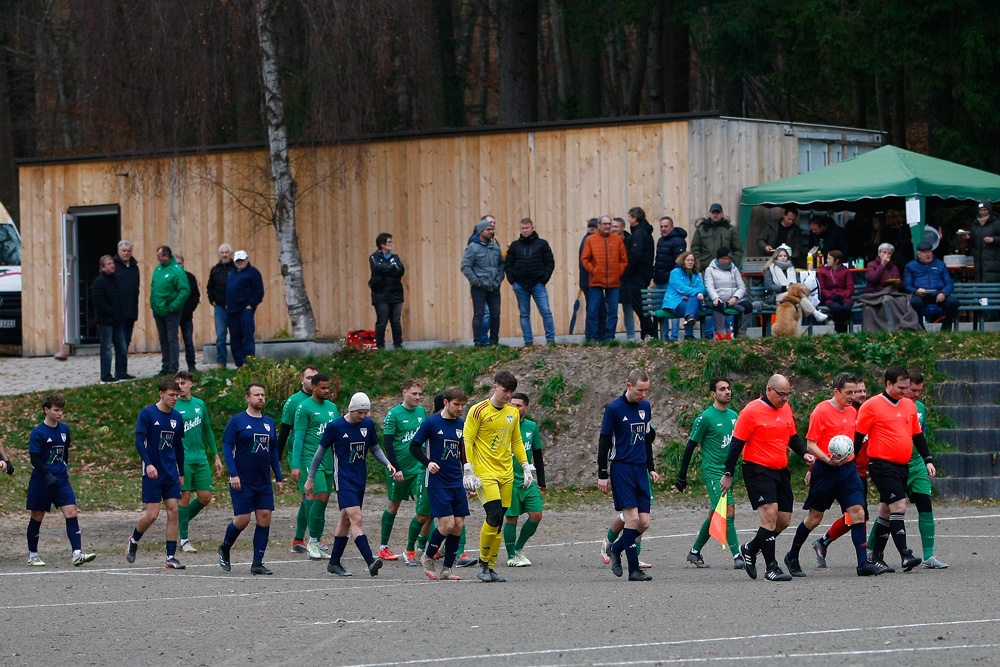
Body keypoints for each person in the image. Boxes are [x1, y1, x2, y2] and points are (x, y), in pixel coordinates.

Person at [782, 373, 884, 577]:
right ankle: (792, 556)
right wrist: (826, 460)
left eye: (855, 392)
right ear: (836, 391)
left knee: (858, 512)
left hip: (848, 470)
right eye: (849, 392)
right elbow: (811, 444)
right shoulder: (821, 411)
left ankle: (863, 564)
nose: (853, 396)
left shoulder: (853, 412)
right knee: (814, 518)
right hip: (825, 470)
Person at [720, 374, 815, 582]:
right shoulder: (751, 411)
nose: (785, 398)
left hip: (780, 470)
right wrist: (728, 473)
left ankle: (750, 548)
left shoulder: (786, 408)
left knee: (783, 520)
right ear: (769, 390)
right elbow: (736, 444)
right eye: (781, 394)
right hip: (757, 470)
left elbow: (792, 437)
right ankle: (771, 568)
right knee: (769, 515)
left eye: (788, 394)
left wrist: (804, 454)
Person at [306, 392, 402, 577]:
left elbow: (374, 448)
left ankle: (334, 563)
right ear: (351, 409)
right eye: (359, 412)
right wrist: (310, 478)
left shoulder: (367, 424)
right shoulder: (335, 427)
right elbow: (319, 453)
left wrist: (388, 464)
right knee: (356, 518)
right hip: (343, 479)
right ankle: (370, 561)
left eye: (365, 412)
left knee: (345, 519)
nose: (362, 416)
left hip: (360, 478)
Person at [856, 367, 934, 573]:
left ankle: (876, 557)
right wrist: (851, 464)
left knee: (886, 511)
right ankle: (905, 555)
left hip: (902, 466)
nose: (905, 391)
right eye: (901, 387)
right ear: (888, 383)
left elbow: (917, 435)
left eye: (907, 388)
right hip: (881, 465)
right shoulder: (872, 405)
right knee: (899, 505)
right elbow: (858, 436)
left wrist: (927, 459)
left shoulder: (909, 405)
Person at [463, 370, 533, 583]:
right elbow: (467, 439)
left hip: (506, 474)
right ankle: (483, 564)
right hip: (485, 473)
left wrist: (525, 467)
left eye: (511, 392)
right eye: (505, 391)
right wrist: (468, 469)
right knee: (493, 516)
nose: (508, 395)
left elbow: (516, 441)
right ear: (495, 387)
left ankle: (490, 567)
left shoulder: (513, 413)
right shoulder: (478, 410)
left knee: (499, 520)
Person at [597, 369, 659, 582]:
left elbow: (646, 439)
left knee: (644, 523)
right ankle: (634, 570)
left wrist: (651, 467)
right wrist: (602, 473)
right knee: (632, 519)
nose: (643, 394)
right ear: (629, 385)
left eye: (647, 390)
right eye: (640, 390)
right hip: (621, 468)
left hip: (640, 469)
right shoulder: (614, 409)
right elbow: (604, 441)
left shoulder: (645, 407)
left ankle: (615, 548)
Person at [676, 377, 743, 569]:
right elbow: (690, 446)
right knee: (728, 509)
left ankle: (694, 552)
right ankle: (738, 556)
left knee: (715, 512)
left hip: (729, 472)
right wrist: (682, 475)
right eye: (722, 389)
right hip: (713, 473)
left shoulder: (734, 416)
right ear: (713, 394)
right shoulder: (705, 418)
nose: (727, 392)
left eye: (728, 388)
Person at [217, 383, 284, 575]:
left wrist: (278, 477)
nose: (260, 398)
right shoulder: (237, 421)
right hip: (242, 479)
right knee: (242, 519)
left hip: (263, 480)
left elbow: (273, 452)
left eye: (263, 394)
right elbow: (227, 448)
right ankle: (225, 547)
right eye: (256, 395)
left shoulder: (269, 423)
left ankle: (257, 563)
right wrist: (233, 474)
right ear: (247, 398)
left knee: (265, 516)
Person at [25, 394, 97, 567]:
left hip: (61, 479)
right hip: (42, 480)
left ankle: (77, 553)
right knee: (37, 516)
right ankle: (33, 555)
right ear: (46, 410)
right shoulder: (38, 432)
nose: (59, 414)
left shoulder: (64, 429)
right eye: (56, 410)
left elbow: (65, 453)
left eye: (61, 411)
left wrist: (63, 468)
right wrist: (47, 475)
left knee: (71, 512)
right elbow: (34, 459)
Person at [409, 386, 470, 581]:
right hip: (437, 481)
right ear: (446, 403)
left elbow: (464, 453)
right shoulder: (431, 423)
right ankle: (427, 556)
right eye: (456, 404)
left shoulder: (462, 425)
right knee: (447, 524)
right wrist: (428, 463)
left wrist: (469, 475)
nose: (460, 408)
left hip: (456, 480)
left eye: (462, 405)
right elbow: (414, 446)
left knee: (458, 525)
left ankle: (447, 569)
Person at [126, 379, 186, 569]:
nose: (174, 398)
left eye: (177, 395)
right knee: (152, 515)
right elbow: (139, 441)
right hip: (152, 472)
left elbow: (179, 447)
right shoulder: (148, 413)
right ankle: (134, 540)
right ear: (161, 394)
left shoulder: (177, 417)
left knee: (173, 511)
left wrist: (182, 472)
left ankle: (170, 557)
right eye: (171, 395)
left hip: (171, 472)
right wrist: (149, 464)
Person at [891, 369, 947, 569]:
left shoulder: (920, 407)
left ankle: (929, 556)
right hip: (895, 466)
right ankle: (872, 551)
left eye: (919, 390)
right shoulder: (890, 407)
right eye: (913, 390)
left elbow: (920, 436)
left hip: (917, 464)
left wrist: (927, 459)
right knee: (887, 511)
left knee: (925, 504)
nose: (916, 394)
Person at [811, 378, 869, 563]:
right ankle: (822, 542)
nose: (860, 395)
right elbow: (821, 444)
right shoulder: (834, 411)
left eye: (863, 391)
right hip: (838, 471)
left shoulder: (863, 413)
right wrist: (813, 468)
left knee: (859, 514)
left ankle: (866, 559)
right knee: (851, 515)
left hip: (857, 471)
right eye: (855, 391)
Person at [378, 380, 429, 564]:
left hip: (418, 469)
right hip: (399, 470)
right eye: (414, 393)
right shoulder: (394, 414)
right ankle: (383, 547)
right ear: (404, 393)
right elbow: (388, 443)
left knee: (424, 508)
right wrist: (396, 468)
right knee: (393, 506)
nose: (418, 397)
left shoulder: (422, 412)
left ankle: (420, 548)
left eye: (420, 394)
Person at [292, 373, 340, 560]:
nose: (327, 391)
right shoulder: (304, 407)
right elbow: (298, 438)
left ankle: (316, 541)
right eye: (323, 388)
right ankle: (312, 541)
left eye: (328, 387)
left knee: (323, 499)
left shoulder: (332, 408)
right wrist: (296, 465)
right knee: (319, 495)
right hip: (310, 459)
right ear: (314, 387)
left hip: (328, 460)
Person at [174, 371, 222, 553]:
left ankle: (179, 522)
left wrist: (216, 456)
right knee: (184, 497)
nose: (180, 387)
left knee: (205, 496)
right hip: (183, 459)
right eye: (177, 383)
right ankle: (184, 540)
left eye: (183, 383)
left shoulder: (200, 404)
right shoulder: (173, 406)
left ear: (191, 384)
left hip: (200, 458)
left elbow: (207, 430)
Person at [278, 365, 319, 553]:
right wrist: (276, 459)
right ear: (302, 380)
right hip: (301, 455)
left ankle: (303, 540)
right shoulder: (294, 401)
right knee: (308, 494)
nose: (312, 381)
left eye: (315, 377)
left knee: (316, 495)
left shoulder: (323, 401)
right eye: (309, 377)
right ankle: (306, 539)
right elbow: (284, 431)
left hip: (319, 455)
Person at [503, 392, 543, 567]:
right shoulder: (502, 424)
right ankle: (511, 556)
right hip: (509, 479)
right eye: (512, 404)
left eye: (518, 405)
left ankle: (518, 548)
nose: (514, 407)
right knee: (512, 518)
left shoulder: (531, 427)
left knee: (536, 514)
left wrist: (541, 479)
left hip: (527, 479)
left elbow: (537, 453)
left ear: (526, 408)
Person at [504, 218, 556, 346]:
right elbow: (508, 264)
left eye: (527, 228)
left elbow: (550, 263)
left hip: (538, 283)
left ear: (533, 228)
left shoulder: (542, 244)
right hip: (520, 284)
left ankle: (550, 340)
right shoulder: (515, 246)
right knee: (524, 314)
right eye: (523, 228)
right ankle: (528, 341)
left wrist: (544, 279)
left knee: (546, 312)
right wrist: (512, 280)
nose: (525, 230)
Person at [581, 215, 628, 342]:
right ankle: (594, 337)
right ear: (598, 225)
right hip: (596, 280)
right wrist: (593, 271)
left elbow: (624, 260)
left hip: (614, 281)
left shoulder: (618, 239)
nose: (607, 226)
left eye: (609, 224)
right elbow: (585, 259)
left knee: (613, 311)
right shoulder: (591, 240)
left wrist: (618, 272)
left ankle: (610, 337)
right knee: (593, 310)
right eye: (604, 224)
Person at [461, 218, 505, 346]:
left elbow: (501, 264)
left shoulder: (495, 247)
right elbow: (465, 266)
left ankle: (494, 341)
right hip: (479, 288)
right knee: (479, 314)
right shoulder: (472, 248)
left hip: (494, 286)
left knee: (495, 314)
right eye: (488, 229)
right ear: (481, 231)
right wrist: (476, 282)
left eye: (492, 229)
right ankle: (478, 342)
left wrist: (499, 279)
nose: (491, 231)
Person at [150, 246, 191, 376]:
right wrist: (153, 304)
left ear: (166, 256)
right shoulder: (158, 269)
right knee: (163, 339)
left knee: (172, 338)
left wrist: (174, 306)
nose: (157, 258)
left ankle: (173, 367)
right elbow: (154, 287)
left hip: (170, 311)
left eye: (159, 256)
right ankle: (165, 366)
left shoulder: (176, 270)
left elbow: (185, 290)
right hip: (158, 309)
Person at [860, 243, 920, 332]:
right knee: (888, 300)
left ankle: (904, 325)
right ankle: (891, 327)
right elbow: (872, 279)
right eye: (884, 252)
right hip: (876, 293)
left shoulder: (894, 267)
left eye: (889, 253)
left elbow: (901, 283)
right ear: (879, 253)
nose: (886, 255)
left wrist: (897, 282)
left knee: (904, 300)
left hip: (892, 292)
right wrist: (882, 265)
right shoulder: (871, 265)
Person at [762, 246, 828, 323]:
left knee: (797, 303)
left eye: (785, 256)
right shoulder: (770, 270)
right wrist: (784, 288)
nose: (783, 258)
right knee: (795, 295)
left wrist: (793, 286)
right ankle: (814, 312)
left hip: (793, 297)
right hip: (777, 296)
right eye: (780, 256)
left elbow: (798, 282)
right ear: (775, 257)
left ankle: (796, 329)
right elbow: (769, 286)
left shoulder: (792, 269)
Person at [90, 255, 128, 383]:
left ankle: (121, 372)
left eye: (113, 263)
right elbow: (98, 302)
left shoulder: (116, 280)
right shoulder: (99, 282)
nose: (112, 266)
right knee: (106, 348)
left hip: (116, 319)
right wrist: (111, 313)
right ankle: (105, 375)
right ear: (103, 267)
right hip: (106, 320)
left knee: (122, 346)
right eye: (109, 264)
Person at [904, 241, 959, 330]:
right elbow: (907, 285)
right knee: (915, 303)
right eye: (925, 253)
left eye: (929, 252)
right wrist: (916, 291)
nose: (928, 255)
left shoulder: (941, 265)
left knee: (953, 302)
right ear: (919, 254)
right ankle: (921, 329)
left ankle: (946, 329)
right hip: (921, 295)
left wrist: (943, 293)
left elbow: (949, 283)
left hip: (938, 294)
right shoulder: (910, 266)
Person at [226, 249, 265, 367]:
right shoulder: (232, 273)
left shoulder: (253, 272)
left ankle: (249, 362)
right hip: (232, 310)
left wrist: (251, 305)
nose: (240, 262)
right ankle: (238, 363)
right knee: (235, 338)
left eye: (242, 260)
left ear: (247, 260)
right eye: (237, 260)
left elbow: (259, 291)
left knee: (247, 336)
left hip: (245, 310)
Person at [704, 247, 753, 339]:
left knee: (748, 306)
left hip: (733, 299)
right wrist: (715, 297)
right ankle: (720, 333)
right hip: (719, 298)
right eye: (723, 258)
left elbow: (741, 286)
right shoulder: (710, 270)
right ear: (718, 258)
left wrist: (735, 297)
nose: (726, 261)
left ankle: (741, 332)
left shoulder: (734, 269)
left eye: (728, 258)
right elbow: (709, 286)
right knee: (718, 306)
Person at [368, 232, 406, 350]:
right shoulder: (374, 257)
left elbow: (400, 271)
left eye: (391, 242)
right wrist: (392, 268)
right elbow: (377, 268)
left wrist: (388, 269)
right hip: (381, 295)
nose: (391, 244)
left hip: (396, 293)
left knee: (396, 320)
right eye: (389, 242)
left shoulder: (395, 258)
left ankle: (398, 345)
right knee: (382, 320)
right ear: (382, 244)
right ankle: (380, 346)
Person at [654, 216, 687, 341]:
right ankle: (664, 336)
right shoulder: (660, 240)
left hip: (671, 282)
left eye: (666, 226)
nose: (663, 229)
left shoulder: (678, 241)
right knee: (662, 309)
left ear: (672, 227)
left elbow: (679, 263)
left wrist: (674, 280)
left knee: (673, 308)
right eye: (661, 226)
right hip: (659, 279)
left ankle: (674, 336)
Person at [626, 207, 657, 341]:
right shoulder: (644, 231)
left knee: (637, 303)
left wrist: (628, 270)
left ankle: (649, 330)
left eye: (630, 217)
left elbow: (636, 255)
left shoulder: (639, 233)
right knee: (640, 302)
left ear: (635, 218)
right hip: (644, 271)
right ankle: (647, 331)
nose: (629, 220)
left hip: (638, 272)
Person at [661, 251, 706, 340]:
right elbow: (680, 287)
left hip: (690, 301)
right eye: (688, 260)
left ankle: (689, 318)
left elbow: (702, 288)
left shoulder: (696, 274)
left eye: (692, 260)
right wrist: (696, 293)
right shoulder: (675, 272)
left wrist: (696, 294)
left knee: (692, 301)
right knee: (693, 304)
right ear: (683, 261)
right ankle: (689, 334)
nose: (690, 262)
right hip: (675, 301)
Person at [690, 203, 744, 274]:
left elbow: (738, 249)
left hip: (726, 269)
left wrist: (732, 265)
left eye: (717, 213)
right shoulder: (701, 229)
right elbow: (695, 248)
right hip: (706, 269)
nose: (715, 215)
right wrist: (700, 267)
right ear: (709, 213)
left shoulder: (730, 229)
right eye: (713, 213)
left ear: (722, 214)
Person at [206, 243, 235, 368]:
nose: (224, 255)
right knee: (221, 336)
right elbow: (209, 288)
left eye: (226, 252)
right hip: (219, 308)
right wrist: (212, 301)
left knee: (236, 335)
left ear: (231, 253)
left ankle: (239, 361)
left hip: (234, 307)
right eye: (222, 253)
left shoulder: (236, 269)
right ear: (219, 254)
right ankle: (221, 362)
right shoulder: (215, 270)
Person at [579, 217, 607, 340]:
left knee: (597, 309)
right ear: (592, 230)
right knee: (595, 310)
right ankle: (594, 337)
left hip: (590, 281)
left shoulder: (588, 240)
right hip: (590, 282)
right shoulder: (588, 241)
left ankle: (595, 336)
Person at [114, 239, 141, 354]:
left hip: (131, 308)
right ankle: (120, 363)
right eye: (124, 251)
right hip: (118, 309)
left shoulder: (135, 268)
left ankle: (123, 363)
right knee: (121, 340)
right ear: (118, 251)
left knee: (127, 339)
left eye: (128, 251)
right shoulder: (114, 266)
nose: (126, 253)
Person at [612, 217, 637, 343]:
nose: (614, 229)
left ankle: (631, 337)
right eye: (612, 226)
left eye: (616, 226)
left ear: (623, 227)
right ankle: (610, 336)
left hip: (627, 279)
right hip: (613, 279)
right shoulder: (608, 240)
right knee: (611, 310)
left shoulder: (630, 240)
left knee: (628, 310)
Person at [174, 254, 201, 373]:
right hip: (173, 315)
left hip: (186, 315)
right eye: (176, 264)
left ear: (183, 263)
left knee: (189, 341)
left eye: (180, 263)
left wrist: (190, 308)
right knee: (172, 342)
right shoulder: (168, 278)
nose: (178, 266)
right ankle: (172, 366)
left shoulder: (189, 277)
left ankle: (191, 365)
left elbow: (196, 295)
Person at [817, 249, 854, 333]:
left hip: (844, 297)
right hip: (830, 298)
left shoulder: (845, 271)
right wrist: (830, 296)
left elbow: (850, 288)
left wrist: (842, 295)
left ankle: (843, 328)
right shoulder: (823, 272)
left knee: (846, 307)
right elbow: (822, 288)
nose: (827, 260)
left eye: (829, 258)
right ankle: (839, 329)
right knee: (836, 308)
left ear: (836, 260)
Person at [970, 198, 1000, 284]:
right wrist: (968, 238)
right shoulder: (975, 224)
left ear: (989, 210)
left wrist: (993, 240)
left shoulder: (997, 223)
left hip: (994, 262)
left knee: (990, 286)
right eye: (980, 210)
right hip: (978, 263)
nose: (982, 212)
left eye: (984, 210)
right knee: (980, 285)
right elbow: (973, 243)